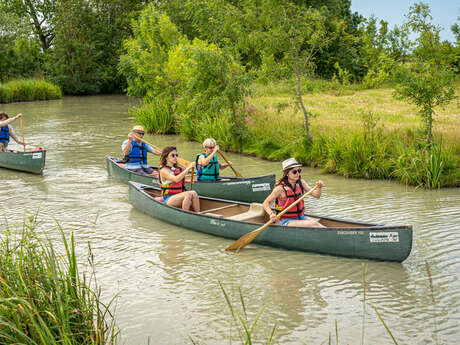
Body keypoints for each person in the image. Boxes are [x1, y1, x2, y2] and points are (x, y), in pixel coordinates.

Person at [262, 158, 325, 227]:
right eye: (294, 172)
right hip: (286, 220)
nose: (297, 173)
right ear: (287, 173)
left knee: (317, 224)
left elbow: (317, 195)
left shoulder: (301, 182)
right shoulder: (280, 188)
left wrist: (319, 188)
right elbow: (265, 203)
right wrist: (271, 214)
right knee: (314, 224)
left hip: (301, 217)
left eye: (299, 171)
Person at [159, 146, 200, 212]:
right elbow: (176, 179)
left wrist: (186, 181)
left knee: (194, 193)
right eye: (173, 155)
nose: (175, 157)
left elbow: (175, 180)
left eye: (176, 155)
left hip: (179, 195)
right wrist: (188, 168)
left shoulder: (177, 169)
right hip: (168, 199)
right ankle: (186, 215)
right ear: (166, 157)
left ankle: (198, 214)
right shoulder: (164, 170)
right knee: (188, 194)